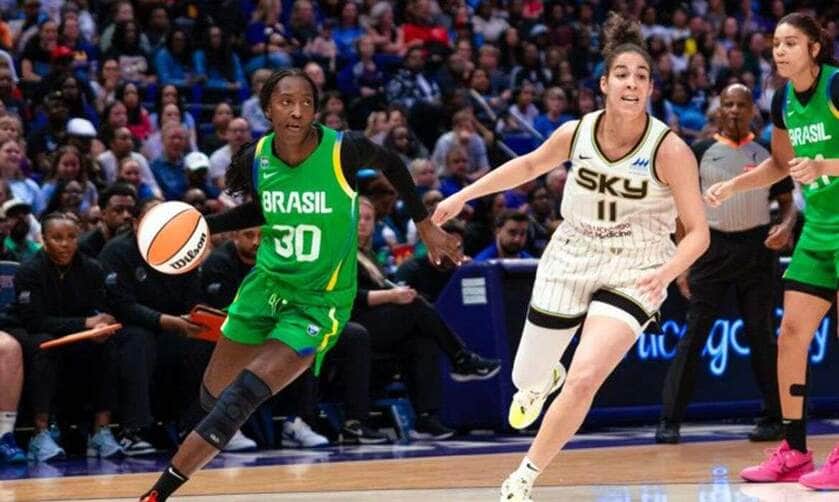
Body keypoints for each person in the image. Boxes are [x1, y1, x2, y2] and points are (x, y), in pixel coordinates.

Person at [138, 69, 460, 502]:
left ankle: (158, 493)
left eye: (306, 102)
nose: (297, 110)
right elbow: (262, 211)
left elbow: (392, 164)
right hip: (265, 285)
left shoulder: (342, 150)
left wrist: (424, 223)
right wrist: (202, 228)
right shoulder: (256, 157)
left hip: (318, 302)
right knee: (212, 395)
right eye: (286, 101)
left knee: (241, 397)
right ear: (267, 108)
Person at [432, 14, 709, 501]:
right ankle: (541, 381)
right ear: (604, 84)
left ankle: (526, 473)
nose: (632, 83)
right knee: (526, 378)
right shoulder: (575, 132)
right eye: (622, 74)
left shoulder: (670, 150)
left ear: (649, 88)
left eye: (641, 77)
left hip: (638, 263)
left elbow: (699, 233)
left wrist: (666, 273)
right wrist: (464, 197)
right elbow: (527, 165)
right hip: (573, 250)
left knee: (584, 378)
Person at [704, 13, 839, 489]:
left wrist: (825, 162)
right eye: (777, 43)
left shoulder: (836, 88)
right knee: (791, 337)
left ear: (815, 49)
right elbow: (781, 165)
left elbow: (813, 162)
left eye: (791, 43)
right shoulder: (782, 99)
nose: (780, 51)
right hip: (819, 231)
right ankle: (796, 450)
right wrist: (736, 185)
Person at [656, 83, 797, 445]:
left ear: (753, 110)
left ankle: (774, 418)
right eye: (728, 104)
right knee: (694, 335)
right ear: (719, 110)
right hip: (711, 249)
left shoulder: (766, 151)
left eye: (741, 104)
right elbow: (681, 214)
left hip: (757, 249)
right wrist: (682, 261)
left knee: (761, 335)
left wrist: (785, 225)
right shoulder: (699, 151)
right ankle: (669, 421)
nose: (734, 110)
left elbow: (786, 202)